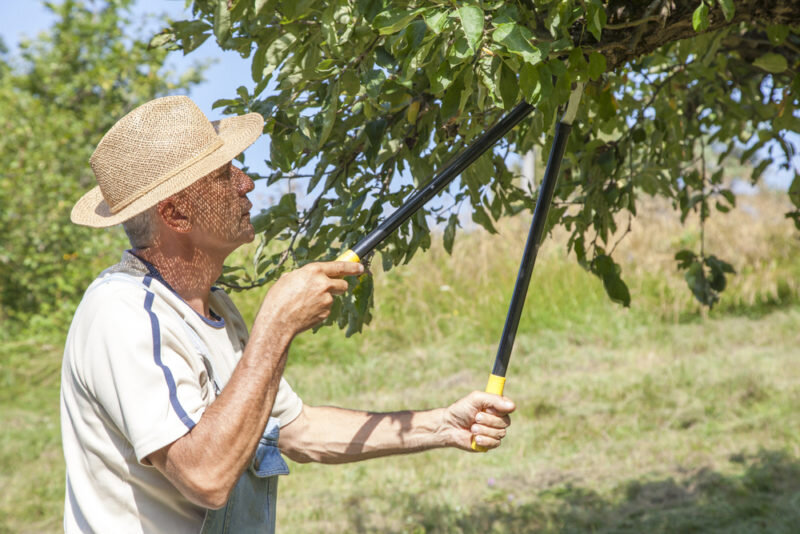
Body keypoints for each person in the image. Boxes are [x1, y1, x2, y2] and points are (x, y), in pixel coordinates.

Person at [61, 95, 515, 533]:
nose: (246, 183)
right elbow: (205, 476)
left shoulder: (213, 307)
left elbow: (299, 430)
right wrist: (275, 327)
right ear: (176, 214)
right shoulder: (122, 313)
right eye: (223, 174)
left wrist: (443, 425)